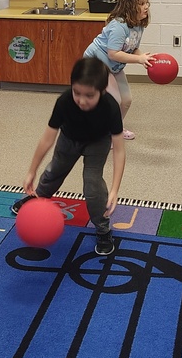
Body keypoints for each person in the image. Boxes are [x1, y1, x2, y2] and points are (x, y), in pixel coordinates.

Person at [12, 57, 126, 256]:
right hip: (69, 139)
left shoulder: (110, 107)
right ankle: (38, 198)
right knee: (55, 170)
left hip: (97, 143)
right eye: (77, 93)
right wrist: (31, 171)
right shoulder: (64, 101)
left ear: (102, 91)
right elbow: (47, 139)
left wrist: (115, 189)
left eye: (89, 95)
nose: (82, 100)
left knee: (93, 185)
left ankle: (103, 229)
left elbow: (119, 150)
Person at [83, 0, 154, 140]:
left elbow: (131, 48)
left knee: (126, 100)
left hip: (113, 66)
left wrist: (144, 57)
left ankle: (115, 129)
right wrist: (138, 59)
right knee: (113, 101)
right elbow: (113, 53)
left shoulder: (138, 25)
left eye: (147, 3)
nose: (146, 6)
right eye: (142, 3)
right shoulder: (118, 26)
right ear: (130, 6)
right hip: (96, 63)